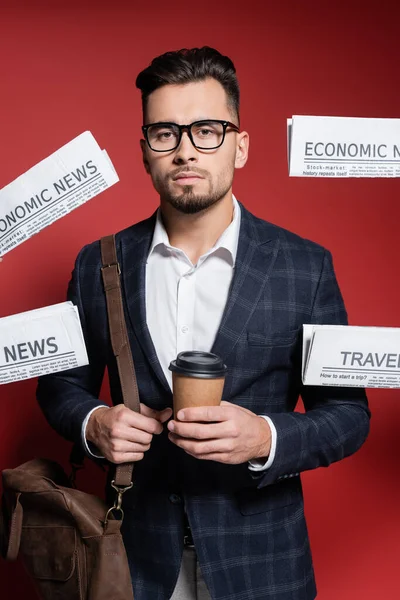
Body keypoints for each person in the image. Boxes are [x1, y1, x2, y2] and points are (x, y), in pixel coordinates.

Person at [37, 47, 370, 600]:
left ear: (240, 145)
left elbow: (348, 414)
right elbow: (60, 385)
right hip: (131, 561)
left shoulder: (305, 266)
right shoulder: (97, 263)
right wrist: (94, 422)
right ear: (145, 152)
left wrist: (265, 436)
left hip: (263, 567)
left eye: (207, 131)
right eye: (165, 133)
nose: (186, 150)